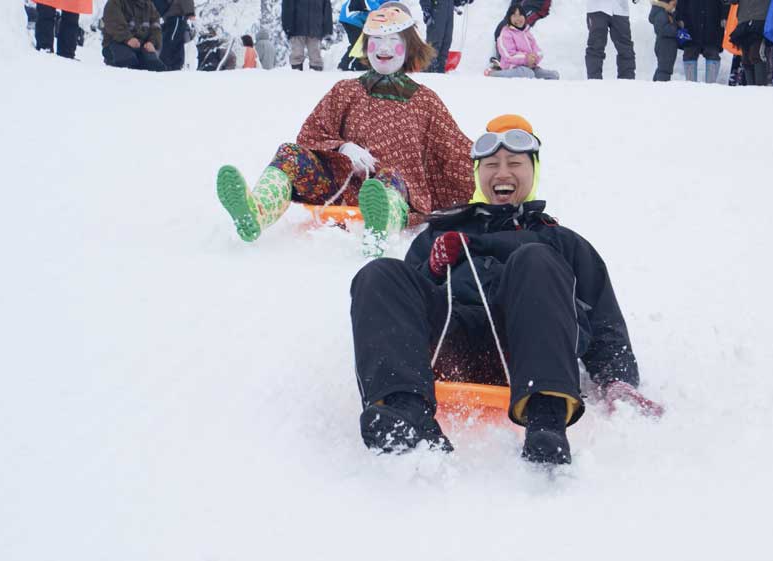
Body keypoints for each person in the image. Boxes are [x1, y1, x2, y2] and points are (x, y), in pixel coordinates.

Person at [350, 114, 663, 462]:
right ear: (477, 174)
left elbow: (603, 319)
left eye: (514, 163)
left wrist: (618, 380)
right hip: (449, 350)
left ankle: (546, 420)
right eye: (490, 166)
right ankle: (407, 414)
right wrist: (433, 269)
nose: (501, 173)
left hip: (526, 350)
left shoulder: (560, 241)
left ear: (534, 172)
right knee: (379, 274)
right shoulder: (438, 233)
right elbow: (401, 311)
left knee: (535, 259)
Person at [216, 3, 475, 252]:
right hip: (339, 186)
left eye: (393, 40)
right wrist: (343, 146)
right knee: (289, 154)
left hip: (393, 191)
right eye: (377, 39)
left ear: (409, 47)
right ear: (366, 44)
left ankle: (379, 230)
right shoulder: (345, 91)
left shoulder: (424, 101)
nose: (384, 48)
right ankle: (256, 212)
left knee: (389, 182)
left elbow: (455, 150)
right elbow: (311, 134)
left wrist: (499, 159)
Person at [487, 2, 559, 80]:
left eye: (520, 15)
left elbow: (537, 49)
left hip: (529, 66)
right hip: (512, 66)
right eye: (514, 15)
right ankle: (494, 74)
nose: (518, 18)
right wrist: (526, 58)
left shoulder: (526, 32)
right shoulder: (505, 33)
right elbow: (509, 55)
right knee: (527, 73)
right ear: (509, 19)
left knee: (553, 75)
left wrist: (535, 57)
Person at [101, 0, 166, 71]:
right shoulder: (115, 2)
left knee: (157, 67)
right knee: (129, 62)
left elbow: (156, 27)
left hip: (141, 46)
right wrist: (128, 39)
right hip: (117, 43)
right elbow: (113, 24)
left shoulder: (148, 5)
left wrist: (152, 42)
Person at [675, 0, 729, 83]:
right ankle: (690, 86)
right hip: (691, 24)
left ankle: (711, 87)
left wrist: (725, 16)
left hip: (713, 25)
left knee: (712, 53)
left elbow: (725, 2)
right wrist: (679, 18)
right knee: (689, 53)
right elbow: (680, 3)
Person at [585, 0, 637, 79]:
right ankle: (594, 82)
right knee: (596, 46)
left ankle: (627, 82)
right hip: (597, 9)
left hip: (620, 9)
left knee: (625, 48)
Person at [728, 0, 773, 86]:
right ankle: (750, 92)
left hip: (761, 18)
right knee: (746, 59)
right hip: (744, 19)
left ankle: (760, 91)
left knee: (756, 55)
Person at [421, 0, 473, 73]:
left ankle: (440, 70)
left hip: (448, 12)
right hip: (436, 10)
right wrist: (426, 10)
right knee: (435, 42)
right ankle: (429, 70)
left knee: (446, 42)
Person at [282, 0, 333, 71]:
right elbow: (287, 7)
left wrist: (327, 28)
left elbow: (327, 9)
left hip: (315, 28)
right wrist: (287, 26)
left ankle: (317, 77)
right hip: (297, 28)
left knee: (315, 57)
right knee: (297, 55)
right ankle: (296, 75)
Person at [338, 0, 386, 71]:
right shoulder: (373, 3)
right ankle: (344, 64)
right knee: (357, 44)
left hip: (349, 18)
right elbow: (376, 10)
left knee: (361, 42)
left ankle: (358, 65)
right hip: (351, 19)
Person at [156, 0, 195, 71]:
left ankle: (175, 67)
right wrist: (190, 12)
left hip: (171, 16)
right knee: (171, 41)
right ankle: (166, 66)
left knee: (176, 41)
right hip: (175, 16)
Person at [648, 0, 678, 81]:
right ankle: (661, 90)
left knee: (663, 69)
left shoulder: (667, 11)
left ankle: (655, 87)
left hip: (668, 44)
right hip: (665, 45)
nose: (675, 3)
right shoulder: (661, 10)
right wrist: (677, 31)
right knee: (664, 70)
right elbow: (661, 28)